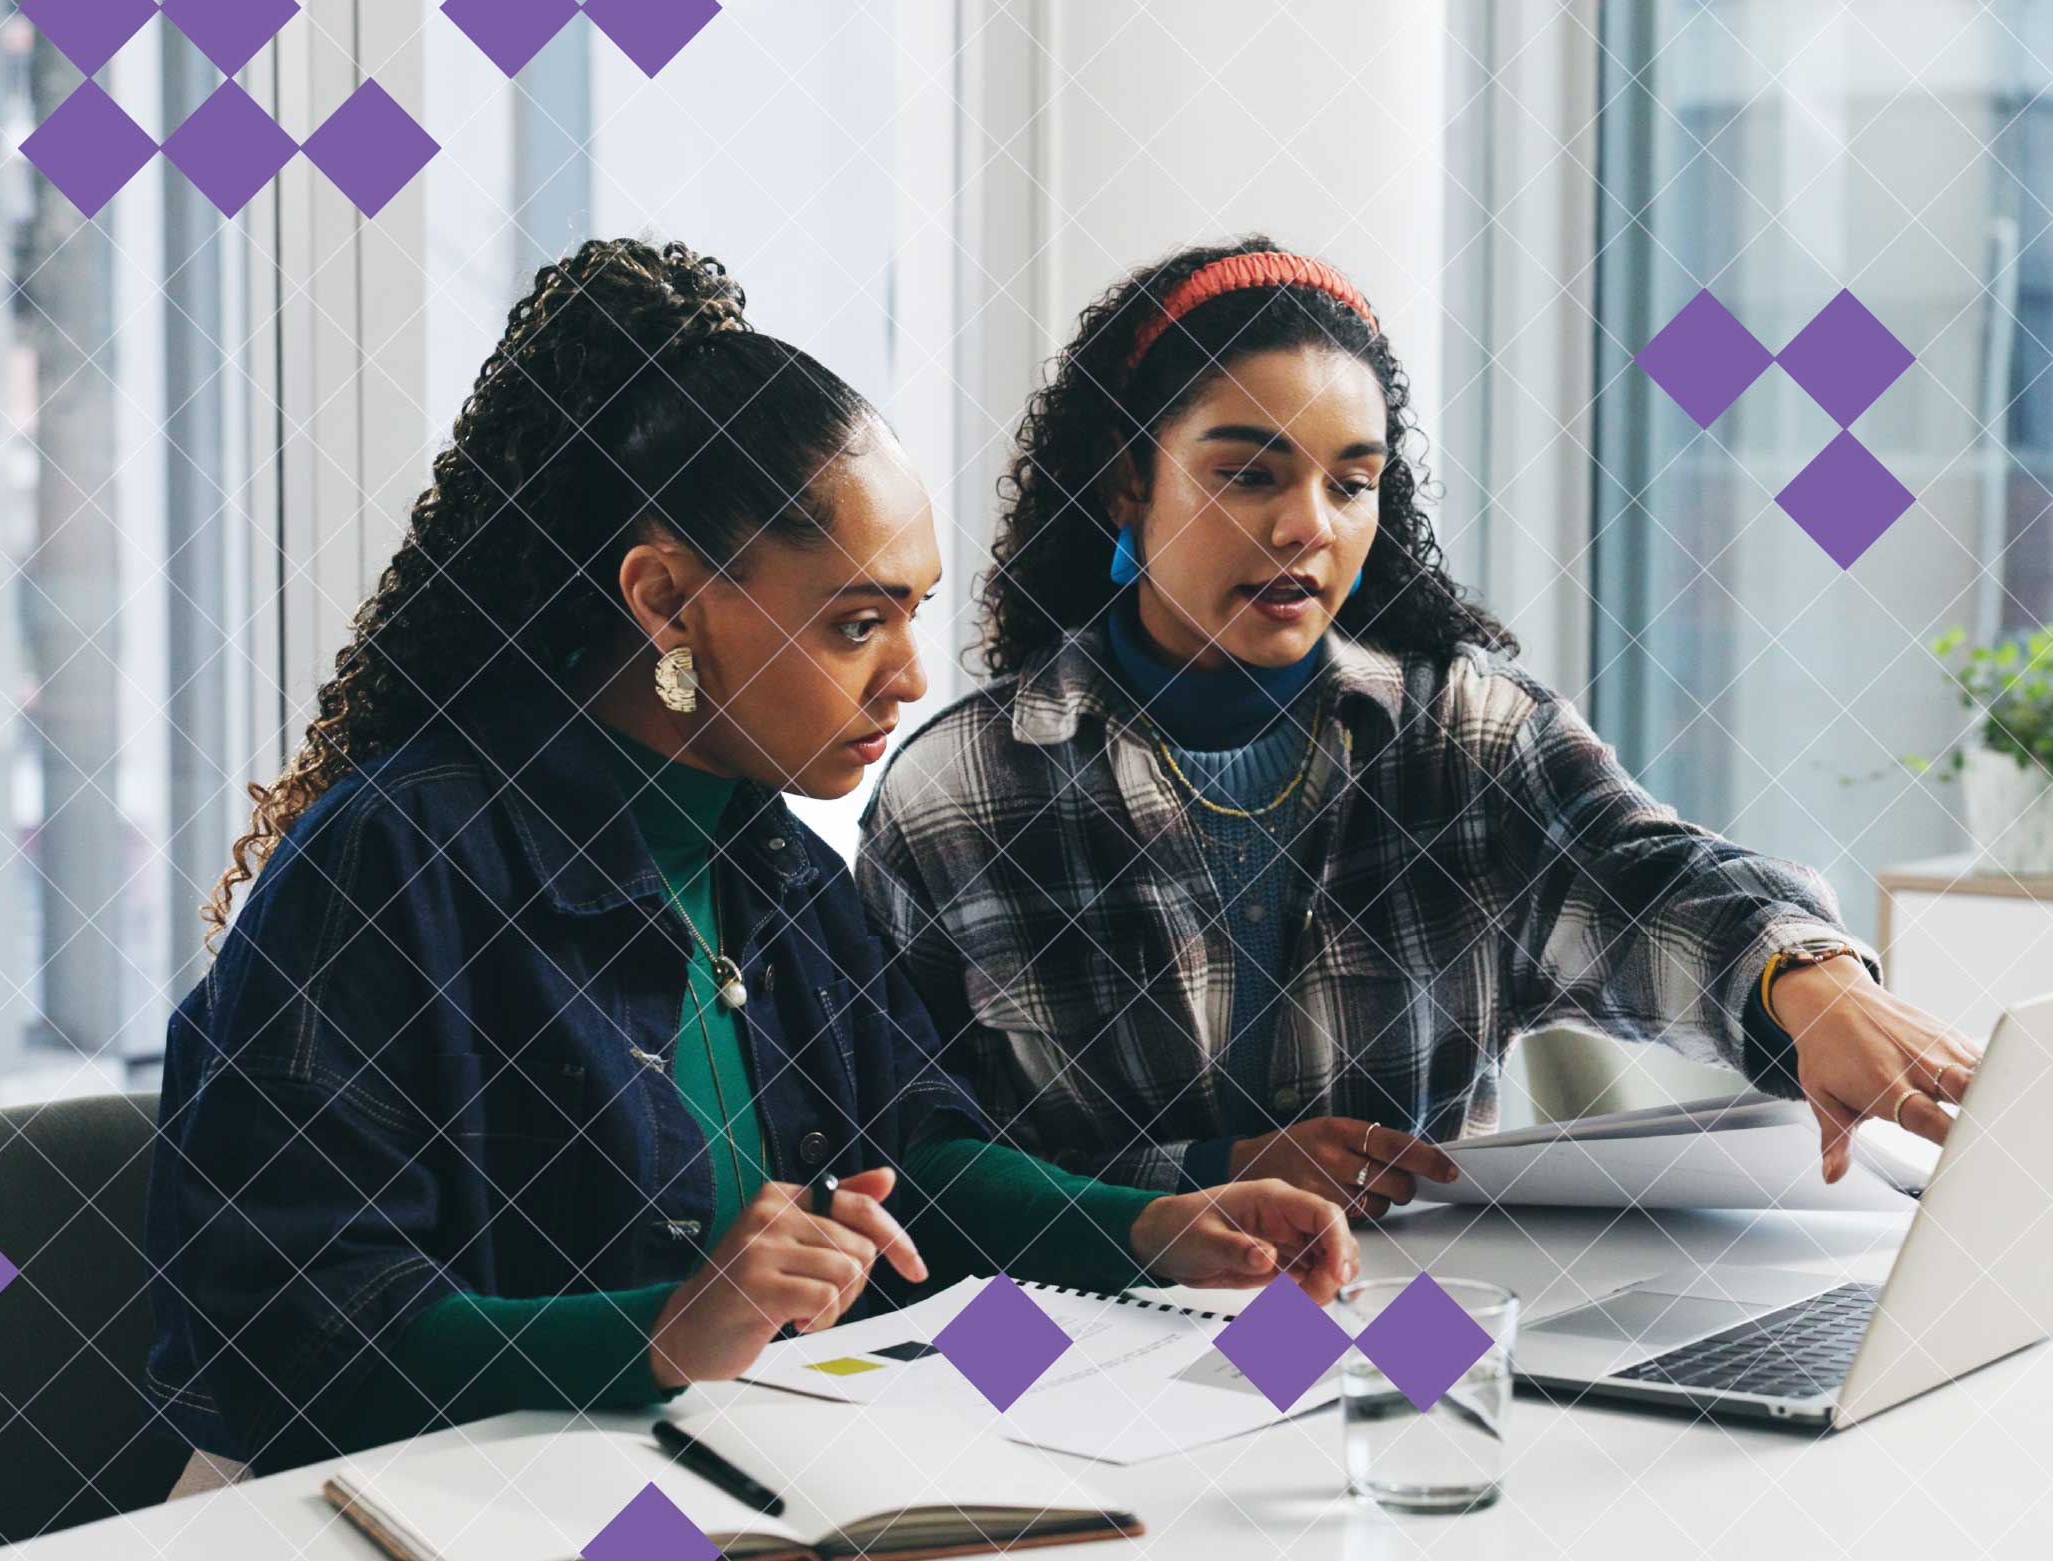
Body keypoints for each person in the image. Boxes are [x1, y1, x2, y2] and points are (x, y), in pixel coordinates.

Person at [144, 238, 1353, 1478]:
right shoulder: (393, 865)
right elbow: (295, 1341)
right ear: (667, 599)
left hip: (714, 1486)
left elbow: (914, 1158)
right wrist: (666, 1328)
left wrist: (1149, 1226)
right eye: (853, 622)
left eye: (911, 612)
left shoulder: (772, 859)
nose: (910, 676)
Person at [858, 237, 1979, 1220]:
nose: (1307, 526)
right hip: (1082, 1355)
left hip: (1416, 1333)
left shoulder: (1468, 736)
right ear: (1122, 482)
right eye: (1248, 473)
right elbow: (915, 1157)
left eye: (1352, 484)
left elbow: (1649, 882)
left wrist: (1812, 981)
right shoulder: (958, 790)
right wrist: (1198, 1174)